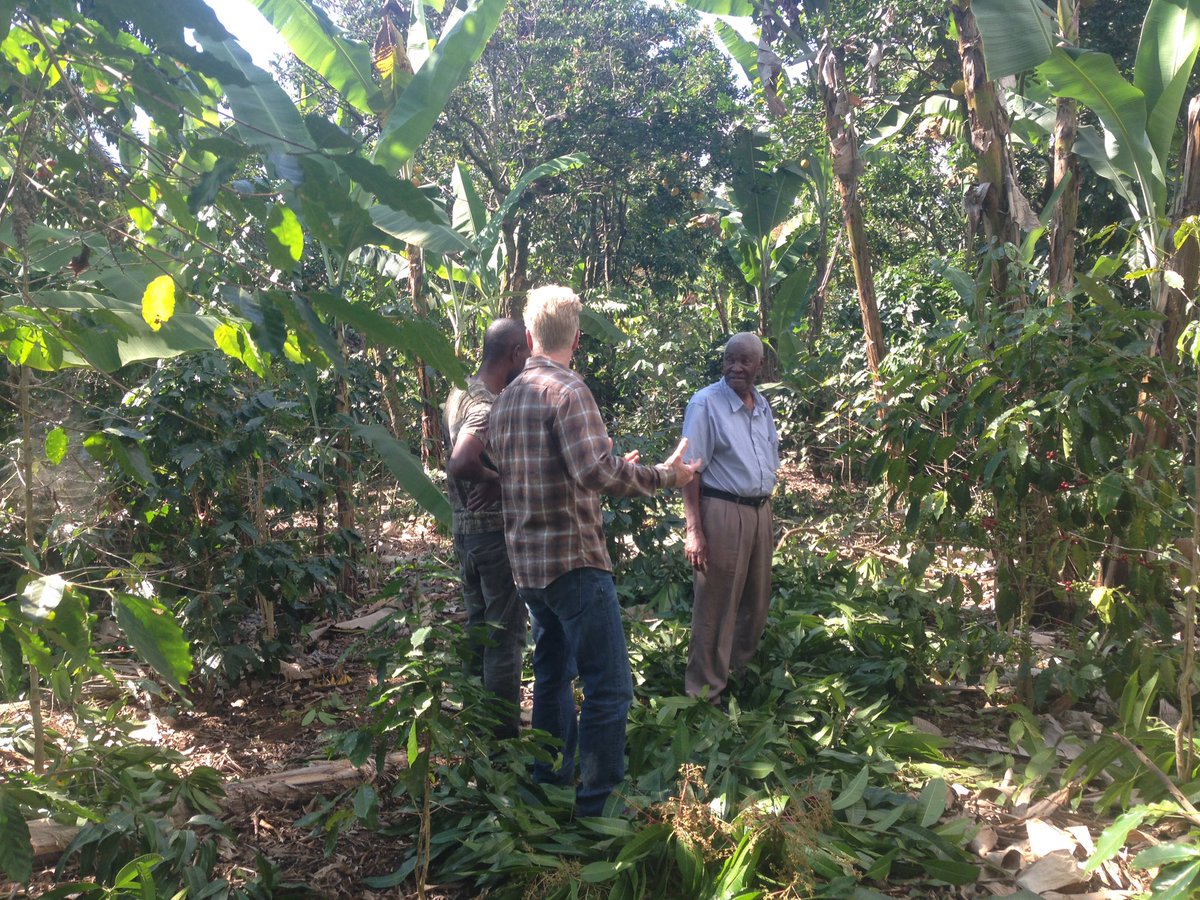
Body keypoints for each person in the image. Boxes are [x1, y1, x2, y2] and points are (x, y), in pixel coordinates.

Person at [488, 285, 701, 817]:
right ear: (576, 338)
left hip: (529, 568)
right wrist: (665, 475)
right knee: (610, 687)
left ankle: (547, 781)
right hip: (573, 563)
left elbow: (539, 467)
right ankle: (598, 806)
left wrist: (605, 463)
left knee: (552, 675)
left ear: (531, 335)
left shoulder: (508, 396)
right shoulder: (568, 390)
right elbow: (594, 472)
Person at [681, 333, 779, 704]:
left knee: (755, 601)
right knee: (716, 604)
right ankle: (705, 693)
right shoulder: (705, 404)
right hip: (722, 510)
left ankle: (737, 675)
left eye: (744, 361)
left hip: (759, 512)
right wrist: (694, 530)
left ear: (760, 366)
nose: (736, 367)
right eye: (729, 360)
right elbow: (690, 471)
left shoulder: (762, 405)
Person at [444, 317, 530, 740]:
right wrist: (500, 480)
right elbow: (461, 461)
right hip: (492, 536)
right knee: (503, 637)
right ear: (515, 354)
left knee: (479, 629)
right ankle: (500, 743)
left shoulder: (460, 388)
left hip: (465, 531)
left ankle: (471, 730)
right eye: (525, 355)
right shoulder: (485, 403)